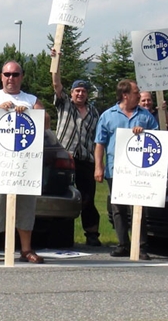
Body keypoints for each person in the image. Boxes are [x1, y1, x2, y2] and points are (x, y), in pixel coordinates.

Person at [0, 60, 50, 264]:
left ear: (22, 77)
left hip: (24, 165)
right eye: (7, 74)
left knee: (25, 207)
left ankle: (26, 249)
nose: (11, 78)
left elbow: (47, 122)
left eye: (15, 74)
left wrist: (31, 113)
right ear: (1, 76)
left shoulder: (31, 99)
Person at [94, 79, 158, 260]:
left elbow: (157, 138)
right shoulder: (108, 116)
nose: (139, 95)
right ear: (125, 95)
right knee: (118, 209)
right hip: (115, 170)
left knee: (138, 208)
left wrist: (145, 133)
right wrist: (98, 167)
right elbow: (100, 143)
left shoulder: (145, 116)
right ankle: (123, 244)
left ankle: (141, 247)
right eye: (136, 92)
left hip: (139, 170)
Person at [51, 50, 101, 246]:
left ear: (87, 94)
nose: (80, 94)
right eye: (77, 91)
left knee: (87, 199)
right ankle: (61, 235)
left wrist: (98, 164)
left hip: (85, 160)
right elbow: (56, 84)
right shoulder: (65, 105)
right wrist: (56, 61)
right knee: (62, 196)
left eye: (83, 91)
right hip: (64, 158)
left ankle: (92, 235)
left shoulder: (94, 112)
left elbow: (98, 139)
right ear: (71, 93)